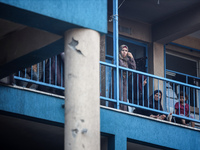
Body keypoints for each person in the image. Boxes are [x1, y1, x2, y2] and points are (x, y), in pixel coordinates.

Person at [109, 45, 136, 111]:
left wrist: (132, 58)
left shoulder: (127, 60)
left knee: (124, 96)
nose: (124, 52)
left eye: (126, 51)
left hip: (124, 80)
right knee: (117, 94)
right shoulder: (117, 58)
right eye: (123, 50)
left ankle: (123, 110)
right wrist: (128, 69)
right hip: (117, 79)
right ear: (120, 51)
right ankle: (116, 108)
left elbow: (133, 68)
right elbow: (122, 66)